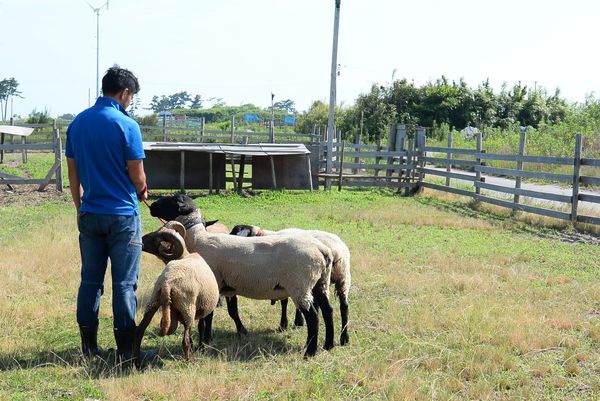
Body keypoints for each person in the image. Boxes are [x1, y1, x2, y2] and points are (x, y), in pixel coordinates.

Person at [65, 65, 153, 363]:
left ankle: (89, 348)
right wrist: (142, 189)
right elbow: (138, 177)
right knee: (125, 284)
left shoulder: (77, 123)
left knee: (90, 282)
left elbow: (73, 175)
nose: (130, 103)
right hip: (123, 216)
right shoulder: (127, 125)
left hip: (90, 212)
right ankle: (127, 351)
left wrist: (81, 209)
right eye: (131, 98)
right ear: (125, 93)